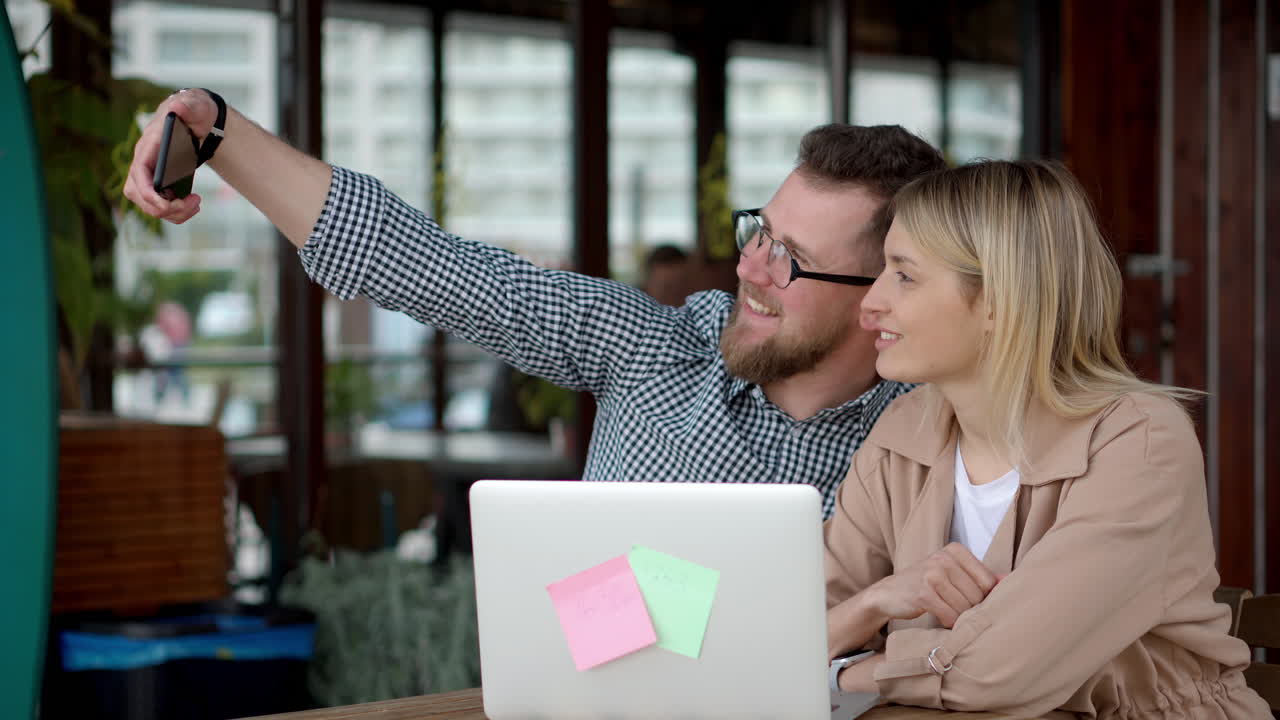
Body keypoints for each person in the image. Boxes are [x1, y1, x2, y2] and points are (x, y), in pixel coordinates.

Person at [123, 88, 945, 518]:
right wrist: (216, 127)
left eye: (792, 259)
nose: (751, 270)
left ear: (884, 294)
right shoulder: (657, 348)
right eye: (758, 233)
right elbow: (421, 262)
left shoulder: (940, 435)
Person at [823, 160, 1268, 718]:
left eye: (904, 276)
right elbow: (793, 624)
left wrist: (851, 672)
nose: (869, 304)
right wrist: (871, 604)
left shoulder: (1139, 439)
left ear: (998, 301)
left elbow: (1000, 672)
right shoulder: (904, 431)